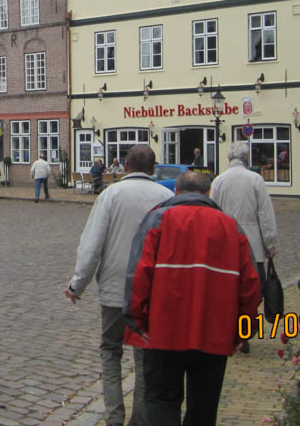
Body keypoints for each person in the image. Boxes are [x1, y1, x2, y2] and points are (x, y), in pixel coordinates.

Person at [124, 170, 260, 425]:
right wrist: (244, 330)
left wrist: (136, 321)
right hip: (214, 332)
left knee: (161, 401)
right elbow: (251, 285)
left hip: (162, 331)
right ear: (208, 193)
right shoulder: (231, 226)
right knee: (204, 407)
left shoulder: (156, 220)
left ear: (176, 191)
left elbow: (137, 275)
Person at [65, 144, 174, 426]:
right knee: (145, 358)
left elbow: (92, 244)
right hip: (151, 291)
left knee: (110, 350)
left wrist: (77, 284)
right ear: (153, 168)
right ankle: (140, 419)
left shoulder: (110, 195)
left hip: (115, 290)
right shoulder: (167, 198)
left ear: (125, 166)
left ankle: (114, 416)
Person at [211, 141, 278, 349]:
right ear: (247, 159)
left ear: (229, 158)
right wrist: (270, 243)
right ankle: (245, 331)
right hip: (252, 244)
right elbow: (265, 214)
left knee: (229, 289)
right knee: (253, 290)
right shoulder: (255, 179)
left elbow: (212, 212)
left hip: (225, 243)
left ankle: (232, 328)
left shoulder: (218, 181)